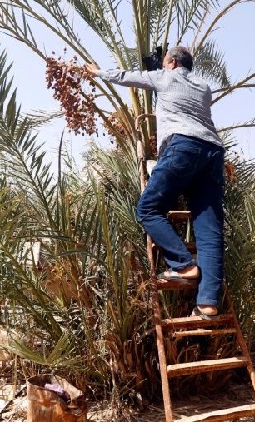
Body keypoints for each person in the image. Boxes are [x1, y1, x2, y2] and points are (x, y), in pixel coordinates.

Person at [84, 46, 224, 318]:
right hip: (213, 152)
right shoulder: (205, 86)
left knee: (147, 208)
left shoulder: (164, 77)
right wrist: (162, 67)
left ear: (170, 63)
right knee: (210, 229)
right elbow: (180, 85)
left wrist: (98, 72)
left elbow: (127, 76)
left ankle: (183, 265)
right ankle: (208, 302)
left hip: (182, 147)